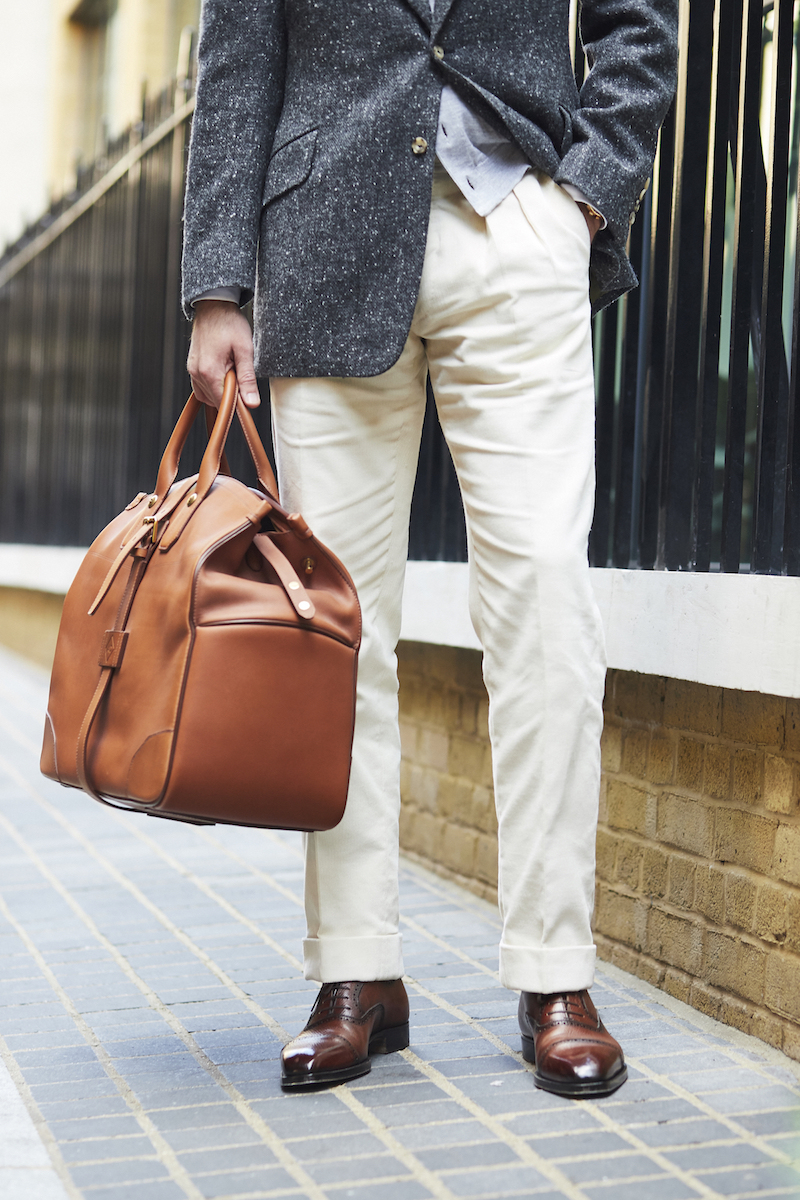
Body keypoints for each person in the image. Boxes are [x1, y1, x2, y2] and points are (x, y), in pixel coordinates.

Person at [182, 0, 678, 1098]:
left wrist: (587, 195)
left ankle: (555, 971)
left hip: (518, 234)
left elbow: (637, 24)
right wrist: (217, 287)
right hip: (324, 245)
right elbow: (235, 60)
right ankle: (354, 973)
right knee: (337, 638)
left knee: (546, 606)